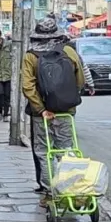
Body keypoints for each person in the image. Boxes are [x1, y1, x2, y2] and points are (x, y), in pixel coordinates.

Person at [21, 18, 87, 196]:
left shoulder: (31, 56)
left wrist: (41, 109)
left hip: (41, 113)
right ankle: (69, 187)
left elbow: (27, 86)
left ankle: (50, 190)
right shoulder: (68, 52)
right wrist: (68, 101)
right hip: (66, 111)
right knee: (66, 149)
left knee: (44, 151)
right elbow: (80, 80)